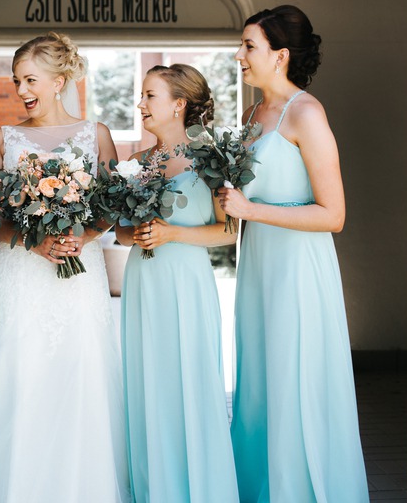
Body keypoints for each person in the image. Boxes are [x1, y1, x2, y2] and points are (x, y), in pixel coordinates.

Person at [0, 33, 130, 502]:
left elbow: (110, 206)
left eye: (30, 79)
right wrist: (31, 243)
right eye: (17, 81)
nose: (21, 90)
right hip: (20, 276)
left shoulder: (95, 134)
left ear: (60, 81)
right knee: (18, 373)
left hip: (79, 275)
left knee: (79, 371)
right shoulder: (4, 138)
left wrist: (84, 235)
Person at [218, 6, 369, 502]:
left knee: (295, 380)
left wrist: (251, 210)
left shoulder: (306, 113)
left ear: (279, 55)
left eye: (248, 47)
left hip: (299, 269)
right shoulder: (251, 114)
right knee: (260, 383)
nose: (239, 56)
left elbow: (334, 215)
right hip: (259, 262)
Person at [116, 64, 240, 502]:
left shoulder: (210, 160)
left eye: (150, 96)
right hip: (143, 280)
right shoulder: (138, 162)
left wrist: (172, 234)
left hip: (186, 282)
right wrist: (140, 231)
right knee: (147, 382)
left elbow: (229, 230)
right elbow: (121, 232)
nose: (141, 105)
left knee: (189, 379)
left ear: (178, 104)